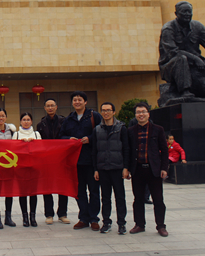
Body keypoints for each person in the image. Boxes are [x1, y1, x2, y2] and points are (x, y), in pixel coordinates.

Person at [59, 91, 102, 231]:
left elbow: (102, 132)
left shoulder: (94, 116)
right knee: (79, 192)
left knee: (94, 191)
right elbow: (61, 136)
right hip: (76, 162)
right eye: (75, 100)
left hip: (92, 161)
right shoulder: (69, 119)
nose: (77, 102)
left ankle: (94, 218)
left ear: (85, 102)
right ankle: (83, 218)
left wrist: (90, 138)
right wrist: (68, 139)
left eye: (80, 100)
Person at [128, 102, 169, 237]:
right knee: (138, 199)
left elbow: (164, 150)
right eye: (138, 112)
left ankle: (161, 226)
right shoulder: (131, 131)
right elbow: (128, 151)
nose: (141, 114)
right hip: (137, 169)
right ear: (135, 115)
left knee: (158, 199)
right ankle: (139, 224)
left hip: (154, 169)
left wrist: (164, 168)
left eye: (143, 112)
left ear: (148, 114)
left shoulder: (158, 129)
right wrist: (127, 168)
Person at [92, 102, 129, 235]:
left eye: (108, 110)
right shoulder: (97, 129)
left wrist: (126, 167)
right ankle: (106, 222)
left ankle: (121, 223)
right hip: (103, 168)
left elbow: (126, 148)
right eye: (103, 110)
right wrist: (95, 169)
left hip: (117, 167)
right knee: (105, 197)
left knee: (120, 197)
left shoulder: (121, 128)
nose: (106, 113)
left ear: (114, 112)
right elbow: (94, 151)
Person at [36, 98, 68, 225]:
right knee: (47, 187)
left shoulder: (64, 122)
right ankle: (49, 214)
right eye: (48, 106)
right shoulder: (41, 124)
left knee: (62, 187)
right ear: (44, 108)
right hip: (47, 160)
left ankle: (62, 214)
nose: (50, 108)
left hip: (61, 159)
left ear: (56, 107)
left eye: (52, 105)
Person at [13, 112, 41, 227]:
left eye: (28, 119)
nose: (26, 122)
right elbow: (12, 150)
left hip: (34, 167)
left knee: (33, 192)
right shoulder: (16, 134)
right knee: (23, 192)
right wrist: (21, 144)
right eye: (24, 119)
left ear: (31, 121)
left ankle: (32, 216)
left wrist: (33, 143)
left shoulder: (36, 134)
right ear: (20, 121)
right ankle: (25, 217)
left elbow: (41, 149)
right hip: (21, 168)